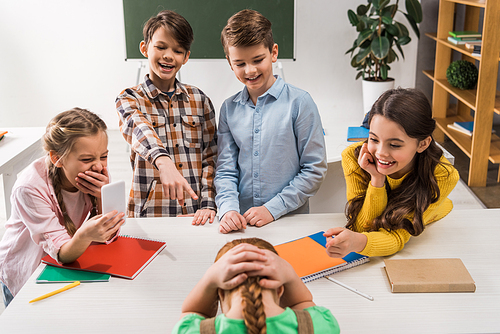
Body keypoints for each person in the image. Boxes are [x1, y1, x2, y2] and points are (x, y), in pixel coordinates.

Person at [215, 9, 327, 233]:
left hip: (289, 221)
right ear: (229, 62)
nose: (250, 70)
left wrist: (272, 209)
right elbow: (226, 170)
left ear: (273, 52)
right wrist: (228, 209)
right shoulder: (229, 108)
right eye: (240, 63)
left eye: (258, 60)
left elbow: (314, 169)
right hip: (243, 224)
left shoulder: (300, 103)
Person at [0, 108, 125, 307]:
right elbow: (62, 253)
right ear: (56, 158)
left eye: (104, 156)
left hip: (64, 261)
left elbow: (110, 234)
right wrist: (84, 235)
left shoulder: (96, 169)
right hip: (27, 270)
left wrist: (103, 196)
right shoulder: (29, 188)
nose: (99, 167)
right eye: (86, 159)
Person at [325, 88, 459, 258]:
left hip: (436, 220)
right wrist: (377, 179)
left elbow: (396, 236)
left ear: (422, 144)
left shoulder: (442, 175)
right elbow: (362, 227)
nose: (380, 152)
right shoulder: (355, 157)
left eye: (394, 145)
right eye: (374, 139)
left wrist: (357, 242)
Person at [116, 10, 217, 224]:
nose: (169, 55)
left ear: (186, 56)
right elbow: (139, 128)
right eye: (161, 47)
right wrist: (164, 163)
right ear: (145, 48)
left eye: (178, 50)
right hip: (149, 216)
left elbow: (211, 158)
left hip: (195, 214)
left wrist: (208, 204)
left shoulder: (200, 100)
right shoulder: (129, 98)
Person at [172, 237, 340, 333]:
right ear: (281, 290)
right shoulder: (320, 325)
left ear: (219, 295)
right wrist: (289, 273)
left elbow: (193, 312)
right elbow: (302, 304)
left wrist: (209, 279)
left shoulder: (191, 331)